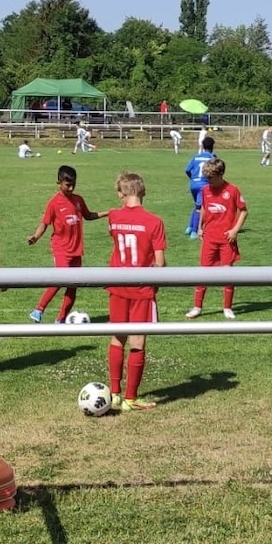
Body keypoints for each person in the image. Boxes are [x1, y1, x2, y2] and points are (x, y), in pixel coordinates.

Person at [105, 171, 167, 411]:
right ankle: (130, 399)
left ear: (121, 194)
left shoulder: (114, 217)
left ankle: (114, 394)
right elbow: (159, 263)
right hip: (142, 289)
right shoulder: (154, 221)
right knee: (138, 341)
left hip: (117, 285)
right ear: (144, 192)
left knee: (117, 338)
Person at [27, 165, 101, 323]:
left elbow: (88, 215)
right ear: (58, 183)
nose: (71, 188)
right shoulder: (54, 203)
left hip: (76, 249)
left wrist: (108, 213)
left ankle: (60, 320)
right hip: (61, 248)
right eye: (68, 185)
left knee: (73, 284)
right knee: (61, 278)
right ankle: (39, 309)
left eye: (74, 184)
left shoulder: (78, 200)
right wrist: (35, 237)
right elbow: (44, 224)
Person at [185, 158, 247, 319]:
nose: (208, 181)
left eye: (210, 178)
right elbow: (204, 208)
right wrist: (200, 227)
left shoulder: (232, 190)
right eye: (206, 178)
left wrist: (235, 230)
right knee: (203, 273)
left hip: (227, 240)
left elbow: (244, 211)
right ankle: (197, 307)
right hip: (210, 238)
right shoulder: (205, 190)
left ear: (220, 174)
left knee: (227, 274)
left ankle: (227, 307)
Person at [184, 134, 216, 237]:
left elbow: (187, 169)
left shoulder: (196, 157)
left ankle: (189, 227)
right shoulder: (212, 158)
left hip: (193, 184)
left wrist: (192, 178)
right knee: (200, 207)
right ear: (212, 146)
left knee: (197, 205)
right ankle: (194, 231)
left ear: (203, 146)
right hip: (204, 185)